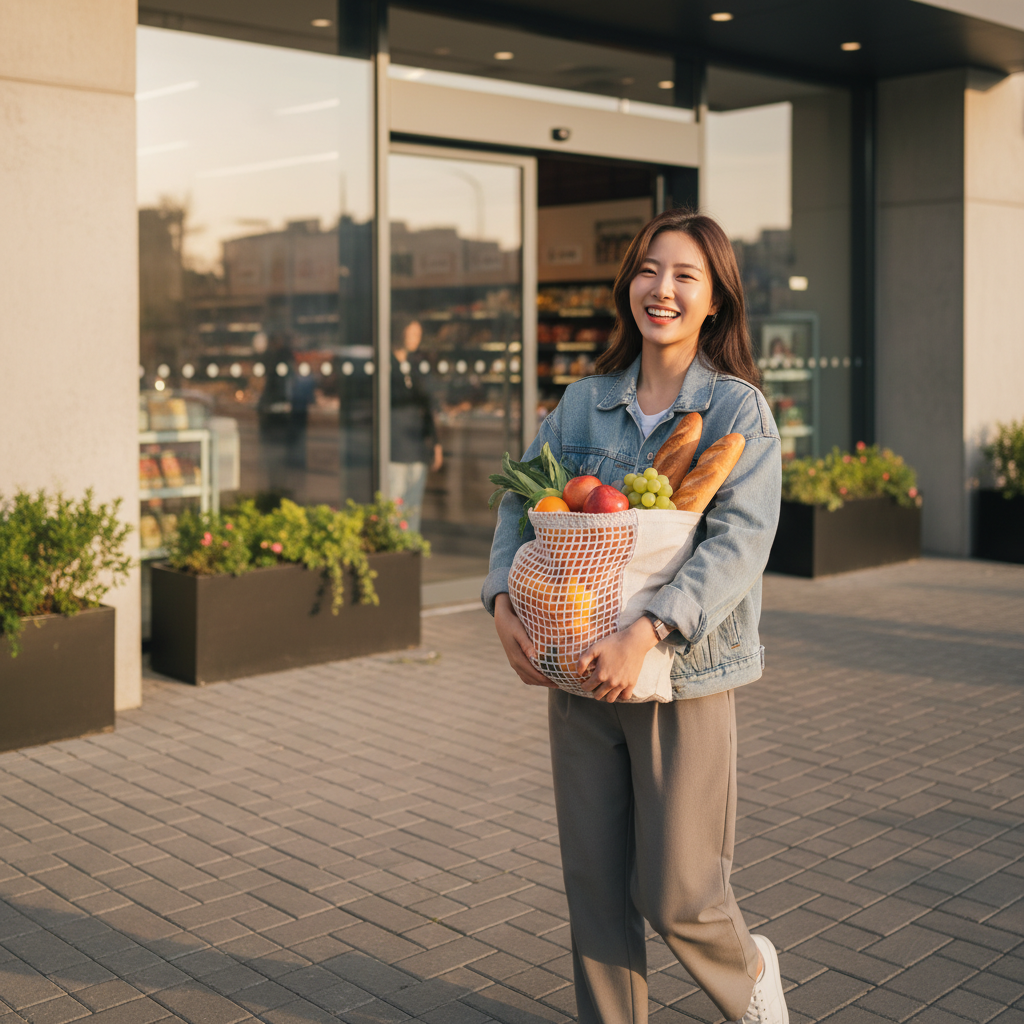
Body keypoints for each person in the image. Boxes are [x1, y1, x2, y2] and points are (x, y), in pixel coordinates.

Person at [482, 210, 787, 1024]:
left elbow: (740, 545)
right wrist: (502, 600)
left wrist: (646, 631)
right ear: (629, 286)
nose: (663, 289)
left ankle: (749, 972)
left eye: (686, 275)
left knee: (679, 892)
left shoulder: (737, 414)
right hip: (578, 670)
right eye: (650, 270)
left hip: (683, 678)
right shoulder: (584, 404)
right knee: (594, 885)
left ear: (716, 299)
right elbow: (522, 509)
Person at [389, 313, 442, 532]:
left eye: (418, 334)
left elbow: (427, 406)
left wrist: (436, 444)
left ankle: (409, 552)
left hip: (416, 446)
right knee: (393, 506)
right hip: (393, 447)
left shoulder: (417, 365)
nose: (415, 338)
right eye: (411, 333)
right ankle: (392, 552)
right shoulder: (385, 365)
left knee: (412, 507)